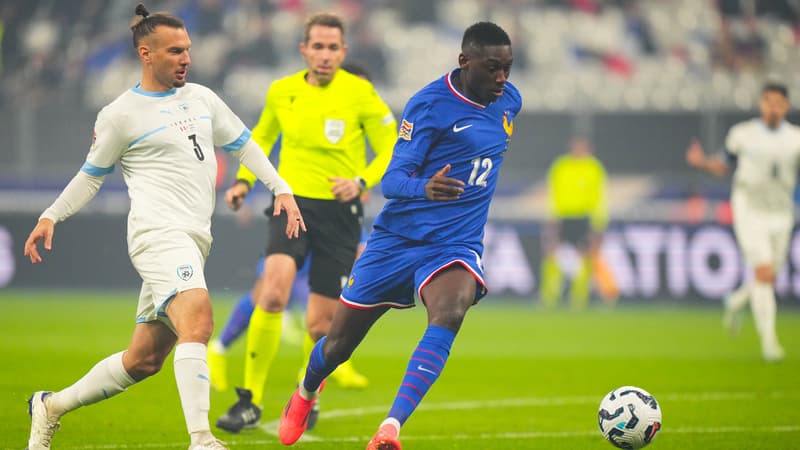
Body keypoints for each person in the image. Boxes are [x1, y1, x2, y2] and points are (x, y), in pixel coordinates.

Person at [22, 5, 304, 450]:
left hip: (194, 240)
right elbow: (91, 176)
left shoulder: (203, 98)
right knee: (199, 319)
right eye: (175, 51)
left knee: (145, 359)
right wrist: (50, 215)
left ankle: (50, 406)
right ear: (146, 54)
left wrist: (281, 190)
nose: (186, 58)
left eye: (188, 49)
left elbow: (245, 146)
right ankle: (202, 439)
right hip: (158, 236)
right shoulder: (120, 114)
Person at [277, 21, 521, 450]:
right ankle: (306, 390)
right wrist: (423, 187)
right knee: (336, 347)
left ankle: (390, 428)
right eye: (492, 68)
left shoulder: (509, 101)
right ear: (465, 62)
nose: (502, 78)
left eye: (508, 68)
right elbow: (391, 181)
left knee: (451, 311)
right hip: (397, 241)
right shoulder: (429, 106)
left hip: (454, 244)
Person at [215, 13, 397, 434]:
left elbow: (391, 146)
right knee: (274, 291)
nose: (326, 54)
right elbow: (260, 139)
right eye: (318, 46)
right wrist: (243, 182)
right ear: (304, 49)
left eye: (334, 47)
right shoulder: (283, 92)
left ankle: (307, 392)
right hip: (291, 203)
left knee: (320, 324)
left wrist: (362, 181)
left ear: (344, 52)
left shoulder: (361, 93)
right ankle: (250, 401)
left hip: (340, 213)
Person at [686, 81, 800, 362]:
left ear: (786, 106)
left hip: (782, 212)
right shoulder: (744, 135)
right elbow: (723, 165)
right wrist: (701, 162)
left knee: (769, 275)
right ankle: (770, 343)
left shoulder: (796, 139)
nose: (773, 108)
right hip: (749, 209)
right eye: (768, 102)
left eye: (778, 103)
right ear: (761, 104)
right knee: (763, 272)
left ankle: (735, 301)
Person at [539, 136, 616, 309]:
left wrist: (598, 224)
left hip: (584, 218)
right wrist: (551, 219)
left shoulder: (594, 168)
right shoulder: (561, 166)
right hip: (562, 217)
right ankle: (549, 297)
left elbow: (599, 198)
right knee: (552, 256)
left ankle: (578, 299)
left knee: (585, 258)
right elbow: (553, 193)